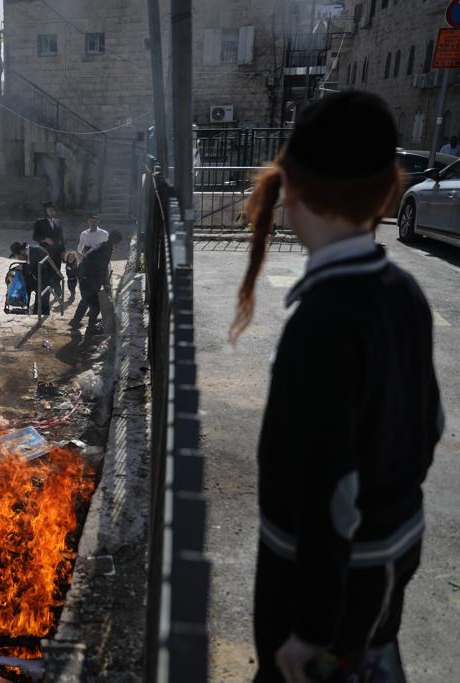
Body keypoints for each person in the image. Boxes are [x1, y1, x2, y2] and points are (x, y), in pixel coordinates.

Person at [229, 92, 442, 683]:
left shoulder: (319, 326)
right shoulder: (403, 291)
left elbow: (328, 492)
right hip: (389, 565)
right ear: (389, 192)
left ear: (289, 194)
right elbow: (427, 430)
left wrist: (312, 631)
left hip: (317, 594)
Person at [69, 234, 114, 334]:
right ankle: (91, 328)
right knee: (95, 305)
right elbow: (102, 268)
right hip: (89, 277)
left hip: (83, 275)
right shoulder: (106, 250)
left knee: (86, 299)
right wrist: (105, 284)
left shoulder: (100, 245)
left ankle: (75, 321)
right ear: (116, 242)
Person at [9, 241, 56, 315]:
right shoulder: (30, 251)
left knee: (42, 305)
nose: (19, 259)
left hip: (47, 279)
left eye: (18, 257)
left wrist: (22, 267)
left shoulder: (34, 252)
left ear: (21, 251)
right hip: (40, 278)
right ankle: (25, 307)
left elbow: (30, 268)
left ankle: (41, 318)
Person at [32, 201, 65, 300]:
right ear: (46, 211)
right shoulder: (40, 222)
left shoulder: (57, 221)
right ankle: (46, 293)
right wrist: (45, 239)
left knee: (57, 271)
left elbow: (61, 237)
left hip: (57, 252)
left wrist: (63, 251)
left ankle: (57, 291)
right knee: (47, 272)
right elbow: (35, 237)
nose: (52, 212)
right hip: (45, 252)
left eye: (53, 210)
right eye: (49, 210)